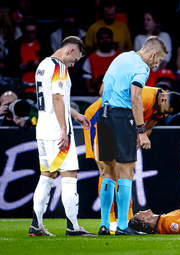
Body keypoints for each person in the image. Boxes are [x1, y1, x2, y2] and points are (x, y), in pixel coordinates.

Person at [84, 86, 180, 231]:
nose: (166, 116)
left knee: (124, 172)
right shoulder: (144, 98)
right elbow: (123, 121)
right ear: (163, 99)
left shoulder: (159, 106)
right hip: (98, 119)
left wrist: (131, 149)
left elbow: (147, 128)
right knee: (106, 171)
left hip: (119, 125)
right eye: (167, 112)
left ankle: (127, 219)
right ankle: (109, 221)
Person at [97, 36, 168, 235]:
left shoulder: (121, 58)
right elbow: (135, 97)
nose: (156, 64)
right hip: (122, 117)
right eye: (159, 60)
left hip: (103, 116)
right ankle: (121, 226)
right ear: (153, 54)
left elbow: (102, 89)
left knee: (108, 173)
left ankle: (104, 225)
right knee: (126, 173)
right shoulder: (142, 68)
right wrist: (141, 131)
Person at [29, 36, 96, 237]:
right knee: (69, 176)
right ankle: (73, 227)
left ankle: (36, 225)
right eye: (75, 59)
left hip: (42, 129)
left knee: (47, 176)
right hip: (56, 131)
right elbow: (57, 98)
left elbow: (54, 98)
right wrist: (63, 129)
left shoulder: (43, 65)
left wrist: (75, 115)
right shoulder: (59, 68)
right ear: (70, 50)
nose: (74, 64)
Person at [82, 27, 121, 94]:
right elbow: (87, 76)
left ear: (112, 39)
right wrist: (90, 90)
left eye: (107, 37)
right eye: (102, 38)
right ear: (98, 40)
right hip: (96, 94)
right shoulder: (91, 58)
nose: (105, 40)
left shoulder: (120, 57)